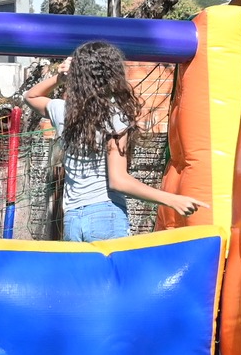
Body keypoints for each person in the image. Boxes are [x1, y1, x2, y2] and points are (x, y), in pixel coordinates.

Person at [22, 41, 204, 241]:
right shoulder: (114, 116)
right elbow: (119, 181)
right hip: (106, 215)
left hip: (73, 219)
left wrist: (60, 78)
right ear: (111, 76)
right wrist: (170, 199)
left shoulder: (63, 111)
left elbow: (30, 96)